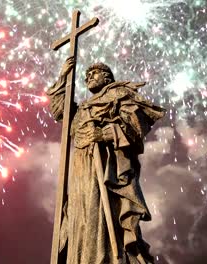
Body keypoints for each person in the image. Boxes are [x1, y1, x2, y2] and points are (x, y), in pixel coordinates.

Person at [47, 57, 166, 264]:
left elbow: (137, 127)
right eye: (85, 76)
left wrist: (104, 134)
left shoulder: (119, 94)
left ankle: (104, 259)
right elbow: (60, 111)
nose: (88, 78)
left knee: (100, 214)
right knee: (79, 217)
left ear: (107, 76)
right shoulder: (83, 108)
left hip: (105, 168)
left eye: (93, 73)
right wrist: (64, 76)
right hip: (80, 168)